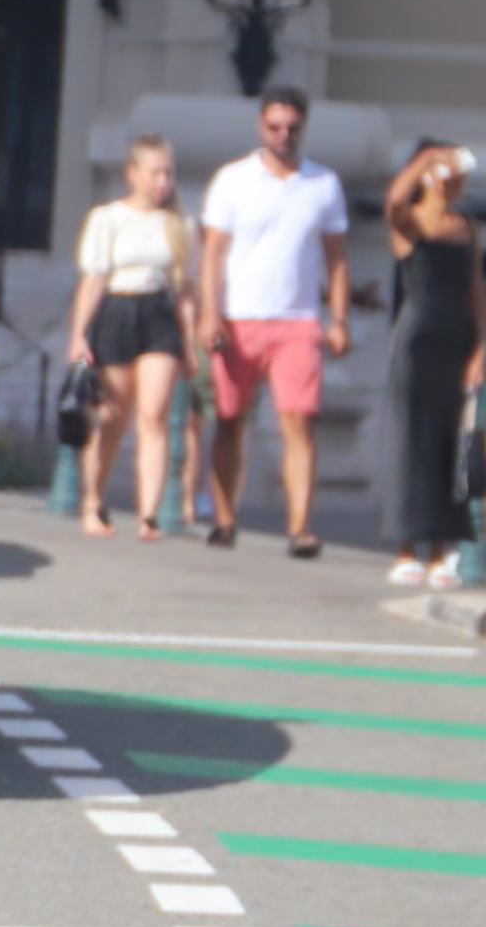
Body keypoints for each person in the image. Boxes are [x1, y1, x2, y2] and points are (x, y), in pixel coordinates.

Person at [197, 85, 352, 556]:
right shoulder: (233, 179)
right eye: (274, 126)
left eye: (292, 127)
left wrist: (338, 318)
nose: (283, 135)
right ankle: (225, 519)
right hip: (239, 317)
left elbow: (337, 261)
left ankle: (300, 528)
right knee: (229, 419)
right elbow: (211, 254)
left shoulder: (323, 183)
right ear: (260, 126)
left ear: (304, 126)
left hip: (298, 320)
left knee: (298, 423)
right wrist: (208, 314)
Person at [66, 134, 197, 540]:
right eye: (155, 172)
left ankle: (149, 515)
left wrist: (190, 345)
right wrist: (78, 335)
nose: (162, 182)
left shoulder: (179, 224)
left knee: (154, 415)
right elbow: (93, 281)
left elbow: (185, 290)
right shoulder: (109, 217)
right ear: (133, 173)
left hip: (158, 312)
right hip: (117, 308)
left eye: (168, 174)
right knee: (111, 417)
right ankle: (94, 503)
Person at [376, 141, 484, 586]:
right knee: (411, 438)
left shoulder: (467, 226)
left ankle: (443, 550)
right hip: (417, 340)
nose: (452, 180)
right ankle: (407, 547)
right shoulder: (411, 224)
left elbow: (477, 290)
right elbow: (393, 203)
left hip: (456, 340)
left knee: (451, 443)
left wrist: (481, 347)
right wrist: (425, 160)